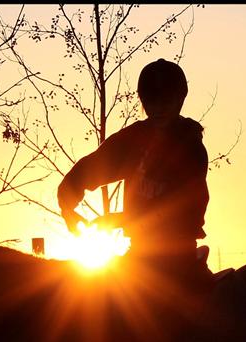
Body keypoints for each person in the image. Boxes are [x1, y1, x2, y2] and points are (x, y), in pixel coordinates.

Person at [57, 58, 213, 298]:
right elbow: (86, 171)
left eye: (166, 100)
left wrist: (119, 219)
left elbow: (180, 210)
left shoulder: (190, 147)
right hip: (138, 254)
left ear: (180, 99)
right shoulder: (131, 141)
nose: (158, 107)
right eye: (151, 100)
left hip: (178, 259)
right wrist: (68, 204)